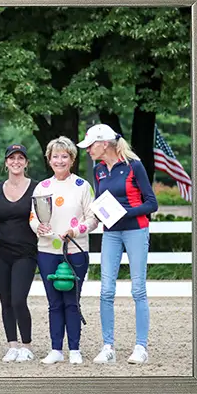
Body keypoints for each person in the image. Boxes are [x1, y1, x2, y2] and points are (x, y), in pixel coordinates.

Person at [78, 124, 159, 365]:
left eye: (91, 146)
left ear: (104, 144)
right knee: (106, 291)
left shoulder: (134, 166)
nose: (88, 150)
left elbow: (151, 203)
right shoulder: (99, 170)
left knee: (138, 290)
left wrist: (125, 213)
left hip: (136, 230)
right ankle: (108, 346)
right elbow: (101, 200)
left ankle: (141, 346)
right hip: (111, 232)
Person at [30, 137, 99, 365]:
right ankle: (56, 348)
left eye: (64, 156)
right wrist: (38, 227)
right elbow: (33, 217)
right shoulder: (42, 187)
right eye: (55, 156)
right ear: (49, 159)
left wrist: (75, 231)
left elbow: (92, 219)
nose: (59, 161)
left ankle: (75, 349)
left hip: (76, 250)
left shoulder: (82, 186)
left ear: (72, 159)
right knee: (54, 302)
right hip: (47, 250)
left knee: (72, 301)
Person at [0, 144, 39, 363]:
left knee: (19, 299)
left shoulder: (36, 188)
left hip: (25, 252)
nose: (16, 162)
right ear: (6, 162)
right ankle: (12, 345)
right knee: (6, 300)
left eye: (20, 158)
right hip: (0, 252)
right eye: (12, 158)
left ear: (26, 163)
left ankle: (26, 345)